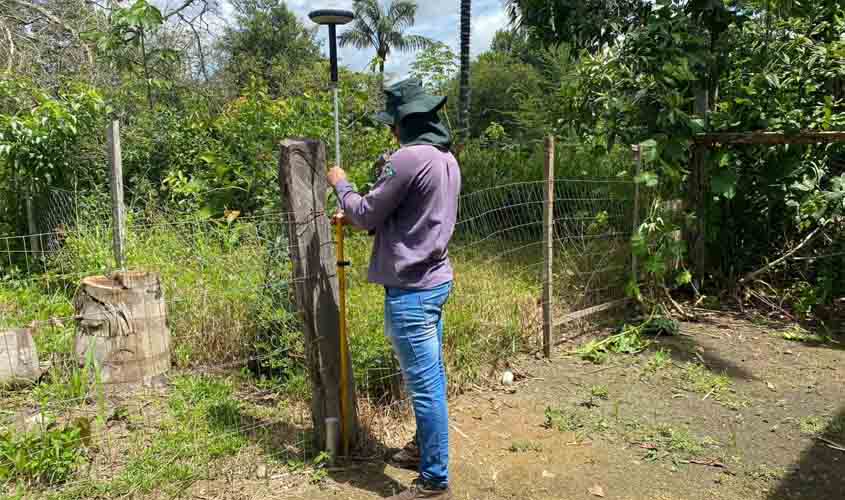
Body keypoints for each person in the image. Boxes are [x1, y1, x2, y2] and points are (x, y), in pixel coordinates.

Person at [327, 78, 461, 500]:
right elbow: (407, 216)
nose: (391, 132)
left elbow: (367, 214)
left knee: (425, 387)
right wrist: (362, 215)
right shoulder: (445, 159)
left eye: (393, 124)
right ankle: (423, 449)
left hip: (411, 291)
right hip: (436, 280)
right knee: (430, 378)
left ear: (403, 124)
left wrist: (341, 184)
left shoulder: (405, 159)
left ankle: (434, 480)